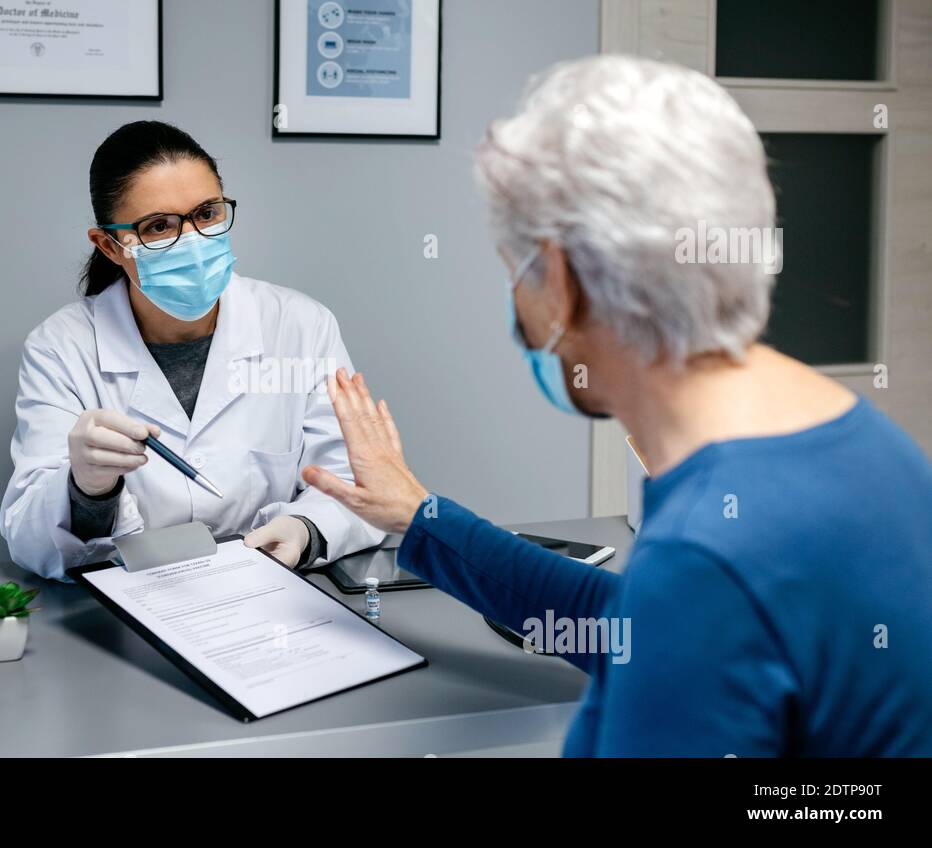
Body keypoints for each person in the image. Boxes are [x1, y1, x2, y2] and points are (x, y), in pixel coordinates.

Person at [301, 56, 932, 756]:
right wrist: (422, 517)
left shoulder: (706, 553)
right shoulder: (864, 444)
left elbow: (681, 618)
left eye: (514, 271)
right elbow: (640, 631)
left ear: (561, 280)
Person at [0, 121, 381, 579]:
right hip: (132, 606)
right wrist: (88, 488)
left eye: (206, 213)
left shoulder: (300, 325)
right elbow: (30, 541)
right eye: (158, 226)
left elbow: (357, 483)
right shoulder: (61, 348)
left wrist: (305, 528)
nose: (193, 241)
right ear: (110, 245)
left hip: (276, 596)